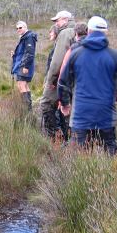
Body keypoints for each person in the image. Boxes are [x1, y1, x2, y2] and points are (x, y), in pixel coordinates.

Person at [58, 16, 117, 155]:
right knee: (109, 156)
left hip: (80, 116)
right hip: (106, 117)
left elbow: (63, 83)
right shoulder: (115, 56)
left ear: (89, 31)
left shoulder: (76, 54)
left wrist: (65, 104)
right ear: (106, 32)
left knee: (78, 159)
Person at [40, 10, 75, 138]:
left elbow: (57, 62)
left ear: (65, 20)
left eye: (57, 20)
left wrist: (50, 81)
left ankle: (55, 138)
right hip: (76, 79)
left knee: (46, 103)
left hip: (63, 79)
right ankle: (68, 138)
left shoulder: (66, 33)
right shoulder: (79, 29)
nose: (56, 23)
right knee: (67, 106)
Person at [11, 21, 37, 111]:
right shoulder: (25, 37)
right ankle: (28, 109)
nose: (18, 29)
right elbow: (23, 52)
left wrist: (26, 66)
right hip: (22, 64)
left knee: (21, 85)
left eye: (20, 27)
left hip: (24, 65)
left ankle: (27, 110)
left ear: (25, 27)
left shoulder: (29, 37)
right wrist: (15, 54)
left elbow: (30, 53)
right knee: (24, 85)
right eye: (17, 28)